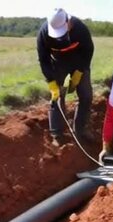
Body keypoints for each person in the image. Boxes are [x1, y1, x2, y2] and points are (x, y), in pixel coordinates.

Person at [37, 8, 94, 146]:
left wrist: (79, 72)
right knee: (56, 98)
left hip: (79, 62)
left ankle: (80, 130)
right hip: (58, 64)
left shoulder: (80, 29)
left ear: (68, 22)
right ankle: (57, 134)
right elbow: (43, 59)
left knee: (86, 95)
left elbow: (88, 50)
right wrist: (51, 82)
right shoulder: (44, 34)